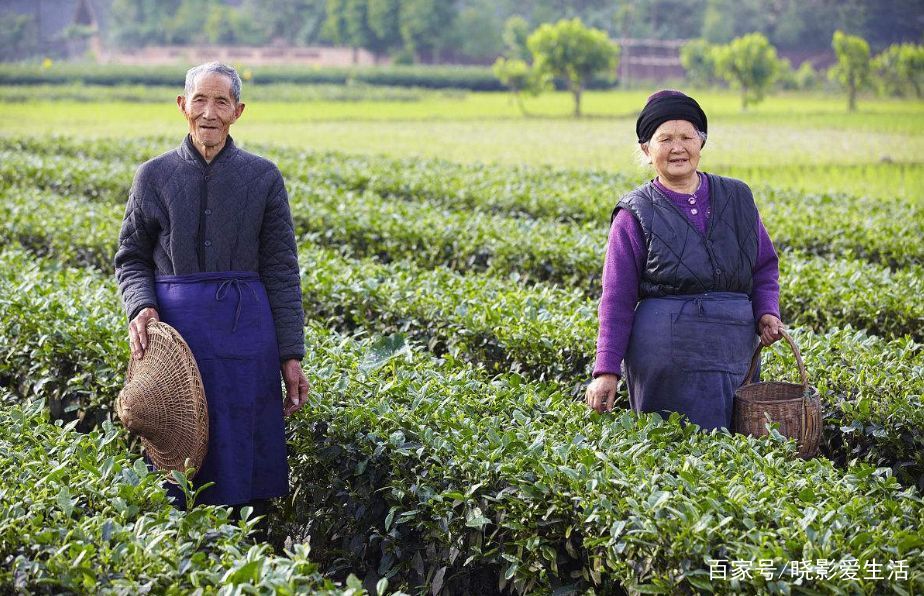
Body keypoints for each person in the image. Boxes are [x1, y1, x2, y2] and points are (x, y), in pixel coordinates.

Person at [114, 62, 308, 517]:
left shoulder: (263, 178)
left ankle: (248, 551)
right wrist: (140, 306)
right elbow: (131, 257)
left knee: (241, 450)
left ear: (238, 111)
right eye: (200, 99)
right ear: (182, 106)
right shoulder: (153, 176)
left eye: (221, 101)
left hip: (246, 337)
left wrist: (291, 354)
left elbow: (282, 269)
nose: (209, 112)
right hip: (176, 340)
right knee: (175, 449)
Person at [585, 90, 784, 430]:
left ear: (701, 143)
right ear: (647, 151)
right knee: (672, 456)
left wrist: (767, 310)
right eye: (665, 139)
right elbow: (616, 299)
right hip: (664, 362)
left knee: (738, 461)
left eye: (686, 137)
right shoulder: (635, 213)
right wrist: (606, 370)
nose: (677, 148)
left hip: (733, 353)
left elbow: (764, 266)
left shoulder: (737, 197)